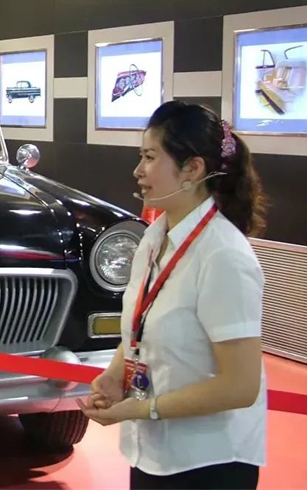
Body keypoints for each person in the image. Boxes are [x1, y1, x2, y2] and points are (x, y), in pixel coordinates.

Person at [79, 100, 268, 490]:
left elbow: (240, 385)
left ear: (192, 169)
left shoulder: (223, 255)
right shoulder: (155, 236)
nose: (138, 170)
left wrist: (143, 409)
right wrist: (114, 376)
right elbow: (142, 325)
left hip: (209, 462)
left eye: (150, 158)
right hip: (153, 452)